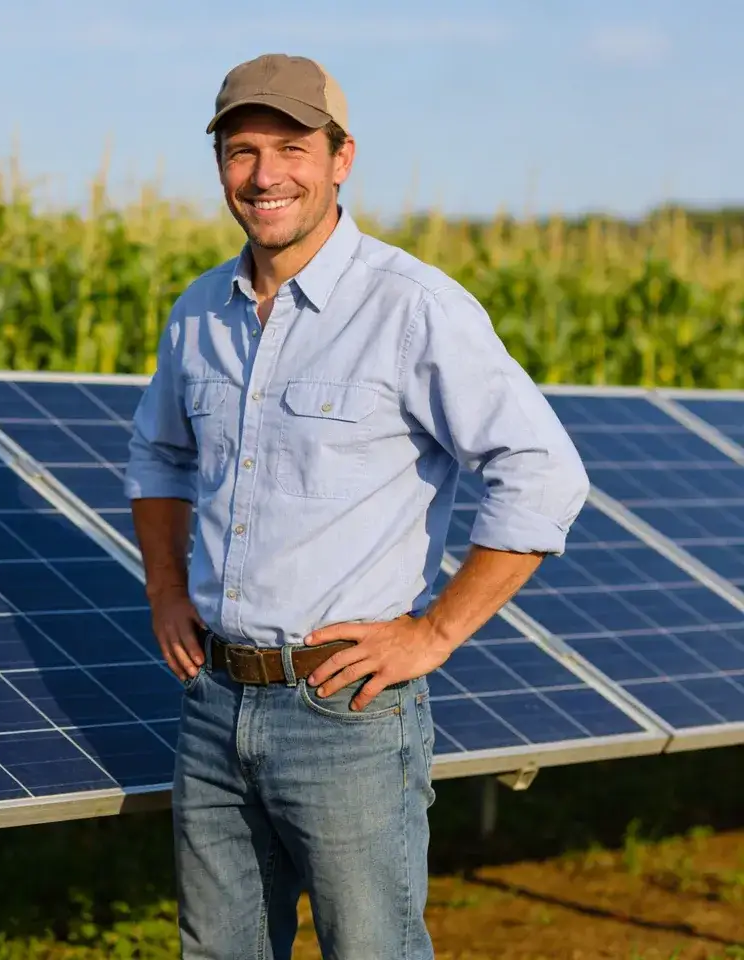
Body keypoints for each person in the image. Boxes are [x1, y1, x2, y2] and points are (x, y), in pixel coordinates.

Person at [123, 53, 590, 960]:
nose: (265, 176)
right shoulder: (198, 313)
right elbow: (159, 452)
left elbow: (543, 473)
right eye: (241, 150)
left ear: (342, 159)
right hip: (214, 701)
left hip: (346, 713)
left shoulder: (410, 307)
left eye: (292, 147)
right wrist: (163, 591)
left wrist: (435, 633)